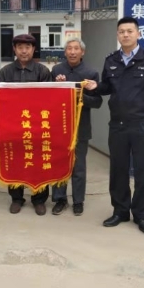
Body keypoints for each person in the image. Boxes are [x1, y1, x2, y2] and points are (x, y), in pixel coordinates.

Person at [84, 17, 144, 234]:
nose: (125, 35)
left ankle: (141, 215)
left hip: (143, 125)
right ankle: (120, 211)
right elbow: (107, 87)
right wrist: (96, 86)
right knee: (118, 170)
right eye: (121, 31)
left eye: (130, 31)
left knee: (142, 172)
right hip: (118, 126)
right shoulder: (111, 60)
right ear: (117, 35)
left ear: (138, 34)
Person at [0, 33, 52, 215]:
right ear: (14, 49)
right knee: (15, 160)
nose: (24, 51)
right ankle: (16, 198)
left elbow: (49, 100)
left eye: (27, 47)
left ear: (33, 49)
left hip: (37, 126)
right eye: (20, 47)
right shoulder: (5, 72)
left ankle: (39, 199)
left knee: (39, 162)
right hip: (13, 126)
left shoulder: (43, 71)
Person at [51, 37, 102, 216]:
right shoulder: (56, 71)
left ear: (82, 52)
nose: (72, 52)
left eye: (76, 49)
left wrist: (79, 96)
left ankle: (78, 201)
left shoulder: (91, 73)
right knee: (59, 163)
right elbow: (47, 99)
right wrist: (57, 87)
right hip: (59, 126)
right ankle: (60, 199)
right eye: (69, 49)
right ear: (65, 52)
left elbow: (97, 102)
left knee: (78, 166)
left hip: (81, 127)